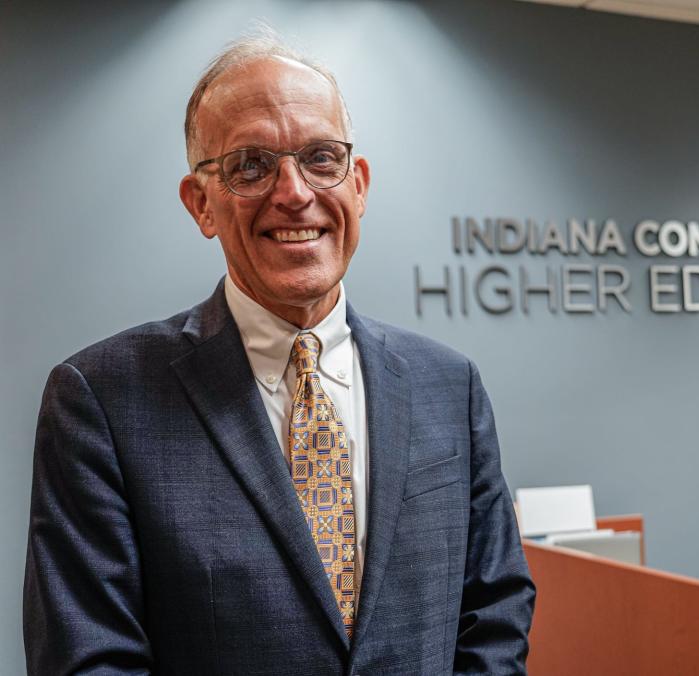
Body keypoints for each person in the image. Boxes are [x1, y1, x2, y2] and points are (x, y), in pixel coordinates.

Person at [23, 32, 535, 675]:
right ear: (200, 204)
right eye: (251, 165)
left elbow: (494, 611)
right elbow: (91, 658)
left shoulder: (448, 385)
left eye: (322, 157)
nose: (294, 192)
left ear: (360, 184)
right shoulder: (101, 399)